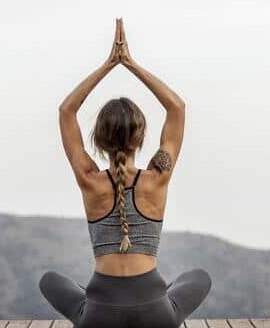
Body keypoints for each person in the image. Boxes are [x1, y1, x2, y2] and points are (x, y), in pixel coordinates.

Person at [39, 17, 212, 328]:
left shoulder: (89, 179)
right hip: (156, 314)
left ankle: (91, 304)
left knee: (49, 281)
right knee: (198, 278)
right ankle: (151, 299)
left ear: (100, 140)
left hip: (99, 316)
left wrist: (108, 65)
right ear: (141, 136)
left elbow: (66, 111)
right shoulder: (157, 176)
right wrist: (130, 64)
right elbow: (177, 109)